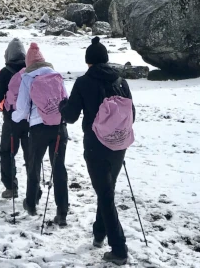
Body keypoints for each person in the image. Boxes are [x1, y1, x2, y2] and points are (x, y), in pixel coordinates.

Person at [60, 37, 136, 266]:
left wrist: (63, 106)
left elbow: (70, 116)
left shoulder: (84, 82)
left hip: (96, 146)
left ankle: (119, 249)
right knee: (106, 190)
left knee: (105, 194)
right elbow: (132, 113)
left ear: (88, 62)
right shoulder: (121, 81)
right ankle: (99, 233)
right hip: (119, 144)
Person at [12, 43, 69, 225]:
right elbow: (66, 100)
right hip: (59, 126)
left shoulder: (28, 77)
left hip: (38, 128)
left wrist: (14, 117)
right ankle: (62, 211)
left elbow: (22, 107)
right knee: (59, 168)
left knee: (34, 164)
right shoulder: (56, 75)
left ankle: (31, 203)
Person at [0, 38, 29, 199]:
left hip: (11, 120)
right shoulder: (31, 70)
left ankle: (11, 187)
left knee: (7, 152)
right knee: (31, 156)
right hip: (30, 119)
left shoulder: (6, 72)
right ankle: (33, 191)